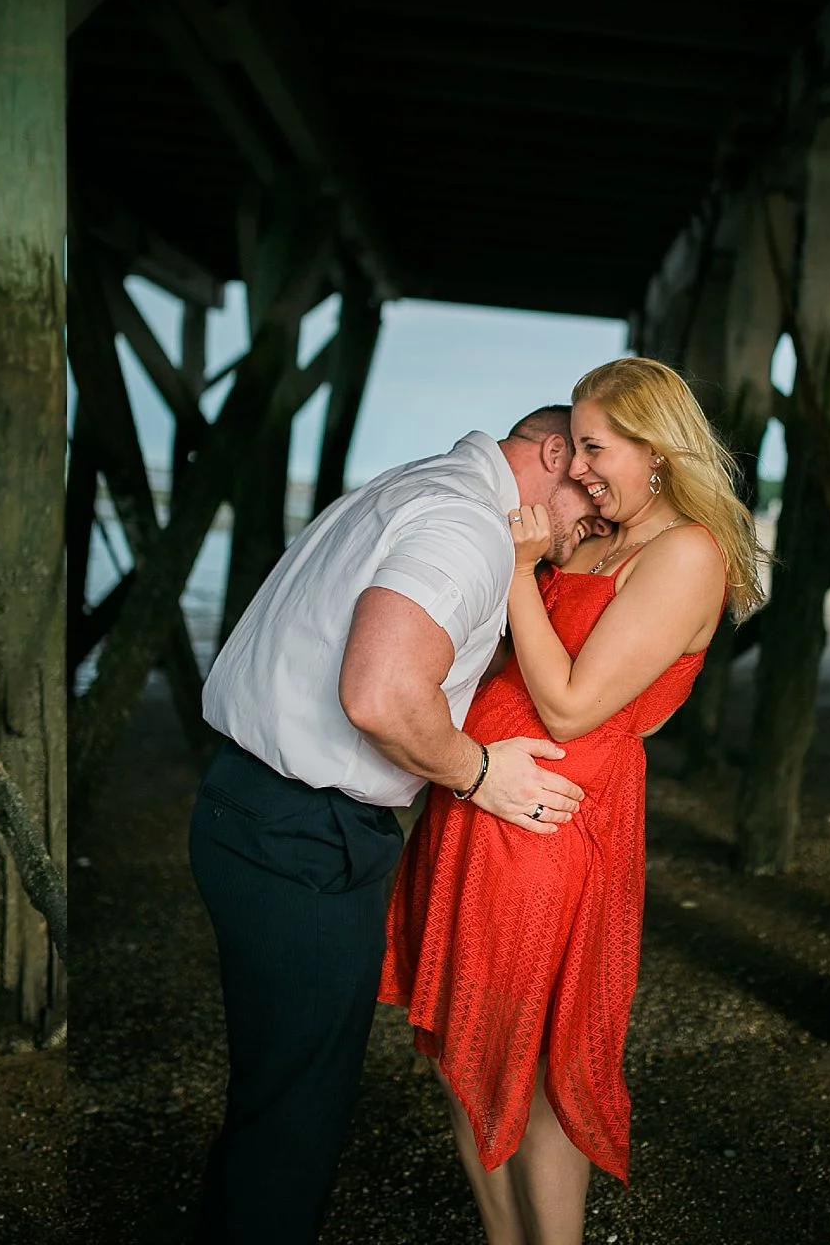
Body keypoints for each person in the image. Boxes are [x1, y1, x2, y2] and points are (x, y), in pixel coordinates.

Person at [189, 408, 607, 1244]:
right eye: (590, 497)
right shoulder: (464, 527)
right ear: (553, 453)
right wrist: (478, 772)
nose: (596, 520)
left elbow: (430, 656)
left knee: (277, 1094)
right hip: (304, 832)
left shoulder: (415, 486)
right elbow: (380, 695)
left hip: (251, 805)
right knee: (294, 1117)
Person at [379, 358, 764, 1245]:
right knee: (459, 1048)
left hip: (549, 825)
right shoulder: (594, 538)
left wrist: (516, 571)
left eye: (594, 447)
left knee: (544, 1063)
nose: (578, 467)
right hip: (477, 803)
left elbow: (573, 704)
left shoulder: (686, 553)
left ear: (656, 447)